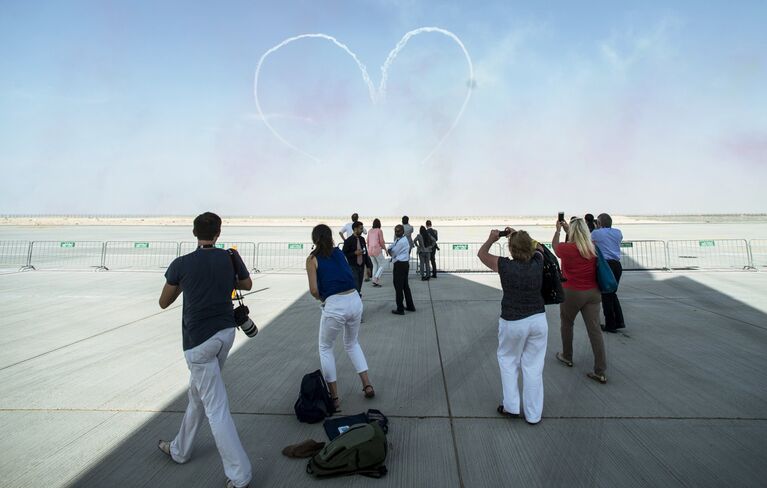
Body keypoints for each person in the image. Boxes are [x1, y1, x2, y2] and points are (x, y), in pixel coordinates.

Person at [157, 212, 252, 488]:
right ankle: (180, 450)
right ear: (218, 234)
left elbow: (164, 302)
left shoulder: (182, 263)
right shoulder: (229, 258)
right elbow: (246, 284)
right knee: (197, 395)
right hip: (225, 335)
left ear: (194, 233)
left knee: (216, 407)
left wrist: (186, 284)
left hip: (198, 343)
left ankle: (240, 474)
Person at [478, 228, 548, 425]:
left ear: (510, 248)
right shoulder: (537, 261)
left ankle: (511, 406)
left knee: (509, 362)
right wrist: (518, 234)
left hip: (513, 321)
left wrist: (491, 238)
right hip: (537, 319)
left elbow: (482, 254)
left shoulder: (505, 265)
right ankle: (534, 415)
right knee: (533, 367)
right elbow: (540, 247)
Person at [306, 224, 375, 410]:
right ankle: (367, 385)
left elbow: (313, 289)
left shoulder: (312, 259)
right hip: (354, 299)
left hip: (335, 305)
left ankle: (335, 398)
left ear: (314, 239)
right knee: (352, 343)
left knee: (325, 348)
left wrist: (323, 298)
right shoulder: (338, 253)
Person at [553, 218, 608, 384]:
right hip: (593, 293)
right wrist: (569, 230)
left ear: (573, 233)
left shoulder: (567, 249)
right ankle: (600, 371)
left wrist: (557, 230)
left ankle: (567, 356)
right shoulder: (593, 248)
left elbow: (555, 246)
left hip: (572, 292)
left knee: (567, 323)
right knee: (595, 331)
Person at [591, 213, 625, 332]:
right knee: (612, 293)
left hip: (605, 265)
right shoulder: (618, 232)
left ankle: (610, 324)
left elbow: (591, 242)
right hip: (616, 265)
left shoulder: (596, 233)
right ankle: (618, 321)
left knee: (606, 295)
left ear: (599, 223)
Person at [388, 224, 415, 315]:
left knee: (399, 287)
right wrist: (390, 249)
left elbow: (393, 252)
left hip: (400, 265)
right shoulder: (399, 240)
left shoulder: (401, 242)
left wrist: (390, 251)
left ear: (403, 231)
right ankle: (410, 306)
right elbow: (391, 247)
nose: (397, 232)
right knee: (405, 286)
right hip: (403, 264)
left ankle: (400, 308)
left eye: (398, 231)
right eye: (395, 231)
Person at [342, 221, 367, 294]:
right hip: (353, 266)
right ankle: (357, 299)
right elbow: (344, 254)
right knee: (356, 287)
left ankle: (357, 298)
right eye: (361, 228)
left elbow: (366, 253)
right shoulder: (348, 241)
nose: (362, 230)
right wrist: (354, 253)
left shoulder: (362, 239)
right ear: (355, 229)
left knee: (359, 286)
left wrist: (368, 266)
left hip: (361, 266)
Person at [367, 219, 388, 287]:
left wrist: (368, 249)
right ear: (379, 224)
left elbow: (367, 241)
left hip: (370, 250)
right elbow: (381, 241)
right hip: (376, 249)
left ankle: (374, 279)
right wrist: (385, 249)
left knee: (375, 265)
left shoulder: (370, 231)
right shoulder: (379, 230)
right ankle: (376, 278)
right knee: (383, 263)